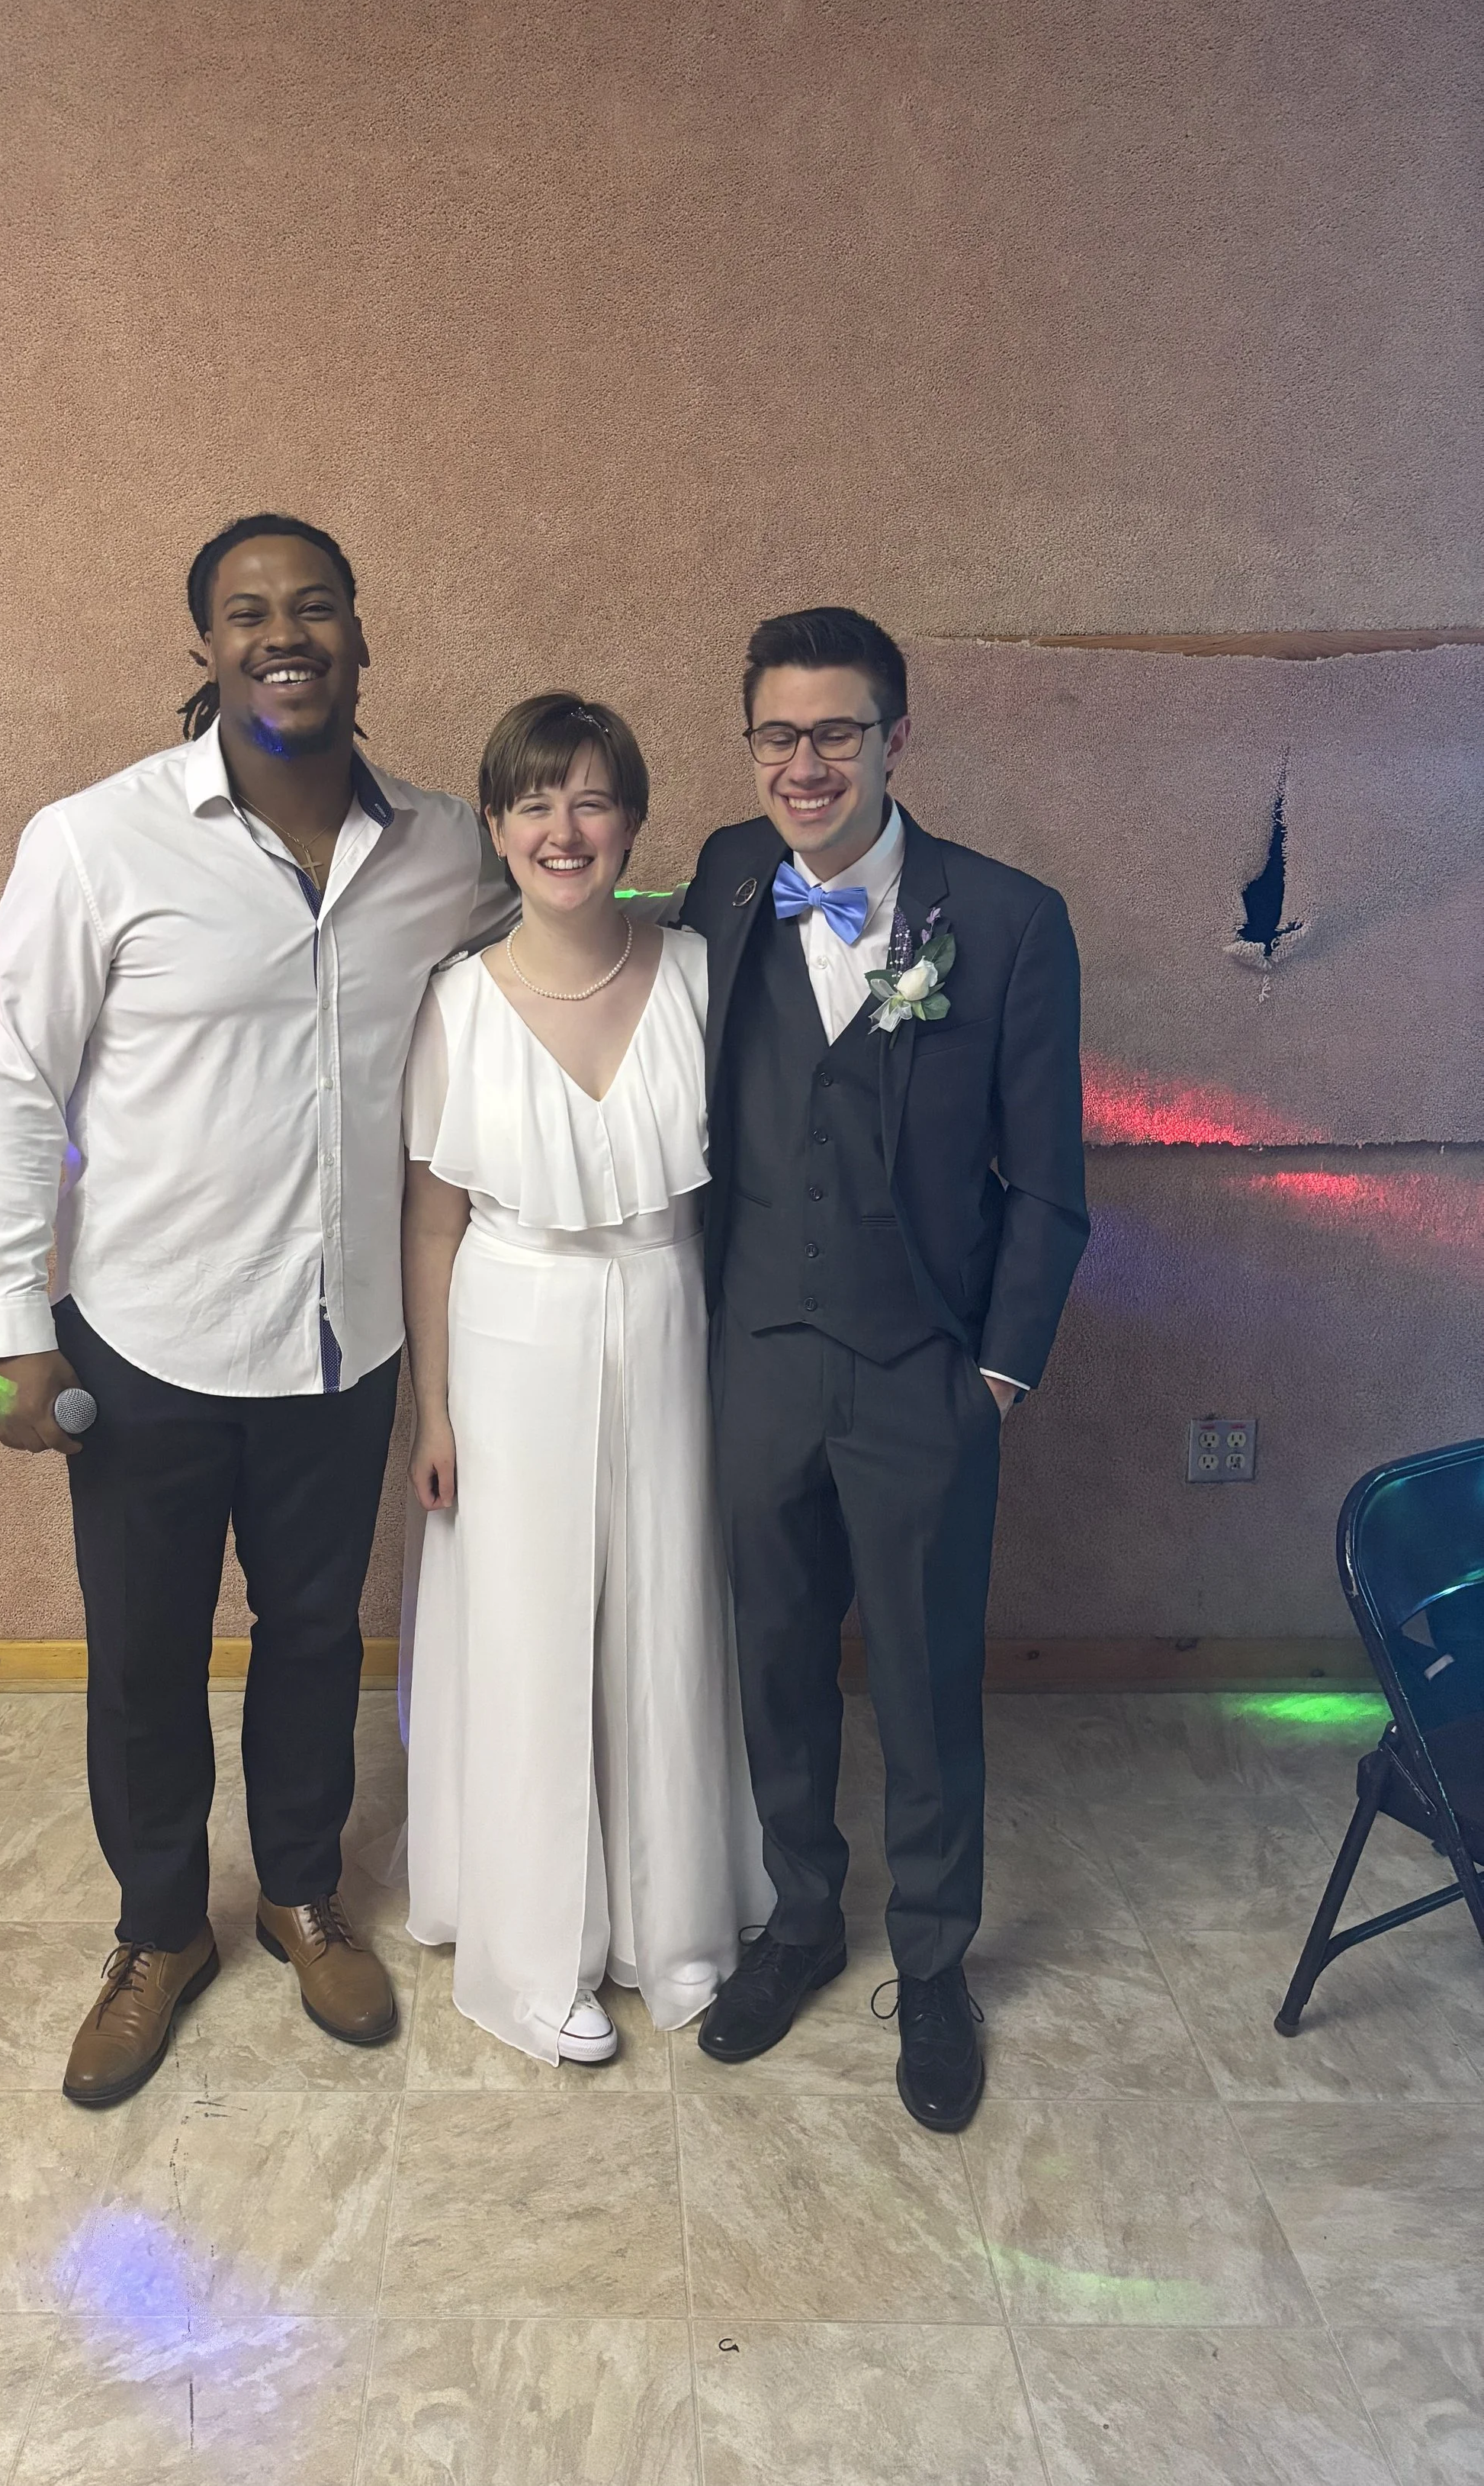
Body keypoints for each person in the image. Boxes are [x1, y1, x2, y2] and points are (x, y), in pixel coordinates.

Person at [0, 513, 518, 2106]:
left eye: (314, 605)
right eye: (249, 611)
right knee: (144, 1653)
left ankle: (299, 1892)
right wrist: (10, 1324)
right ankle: (156, 1931)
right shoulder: (94, 841)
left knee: (317, 1634)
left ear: (359, 636)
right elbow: (11, 1086)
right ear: (206, 647)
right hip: (149, 1339)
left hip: (347, 1338)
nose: (285, 634)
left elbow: (549, 944)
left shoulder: (444, 852)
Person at [685, 606, 1088, 2130]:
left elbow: (1047, 1186)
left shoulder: (1010, 920)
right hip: (758, 1354)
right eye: (777, 735)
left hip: (925, 1368)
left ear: (895, 738)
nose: (805, 764)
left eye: (836, 733)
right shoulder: (725, 876)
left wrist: (997, 1375)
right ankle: (800, 1920)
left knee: (925, 1678)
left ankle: (930, 1963)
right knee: (774, 1662)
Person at [400, 695, 769, 2066]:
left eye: (593, 800)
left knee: (670, 1610)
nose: (565, 830)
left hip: (671, 1314)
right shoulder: (454, 1001)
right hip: (510, 1330)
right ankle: (533, 1947)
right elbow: (430, 1226)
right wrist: (434, 1413)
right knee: (529, 1626)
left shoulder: (702, 976)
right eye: (534, 804)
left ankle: (673, 1925)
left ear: (633, 821)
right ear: (498, 830)